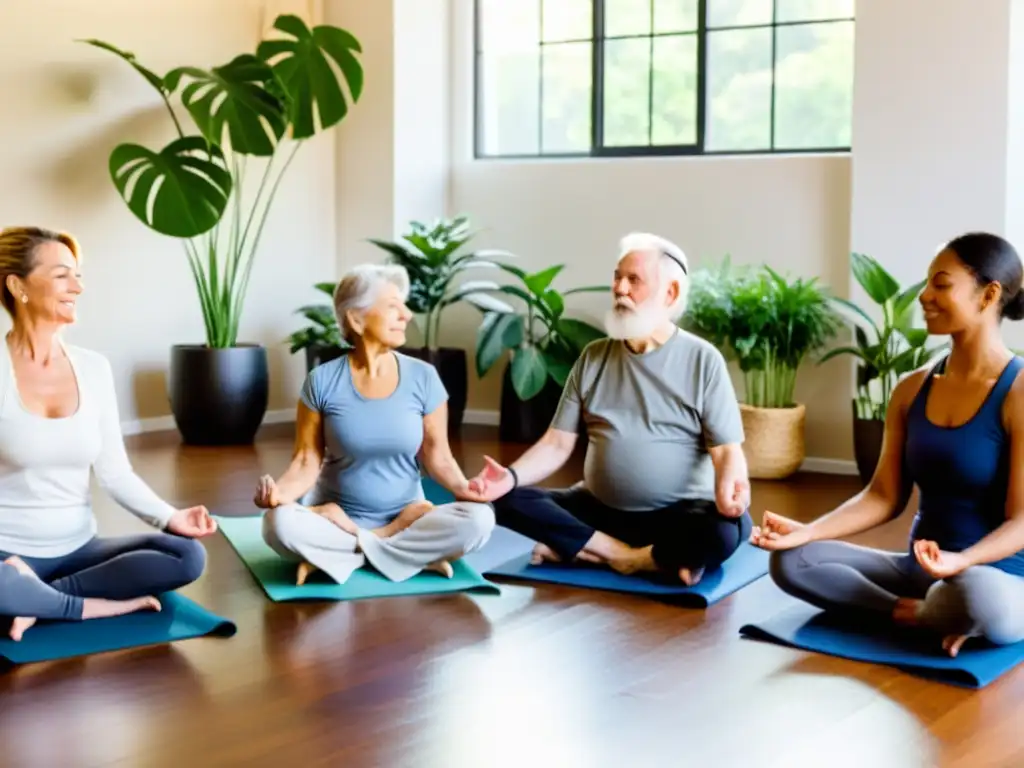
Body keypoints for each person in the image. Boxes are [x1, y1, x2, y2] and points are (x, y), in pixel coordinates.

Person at [752, 232, 1024, 658]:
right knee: (792, 560)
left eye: (942, 284)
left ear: (988, 295)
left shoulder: (1018, 393)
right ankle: (920, 614)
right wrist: (808, 531)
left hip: (995, 579)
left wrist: (959, 562)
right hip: (919, 572)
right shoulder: (910, 388)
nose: (925, 297)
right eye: (926, 284)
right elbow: (883, 496)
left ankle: (947, 611)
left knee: (979, 597)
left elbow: (1022, 520)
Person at [466, 233, 752, 586]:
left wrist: (731, 488)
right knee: (507, 499)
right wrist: (507, 478)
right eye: (617, 277)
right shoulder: (593, 357)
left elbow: (726, 451)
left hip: (677, 515)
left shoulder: (702, 359)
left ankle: (591, 550)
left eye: (634, 280)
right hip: (599, 511)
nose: (620, 289)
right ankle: (630, 557)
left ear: (670, 293)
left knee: (730, 529)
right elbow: (557, 443)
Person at [0, 227, 215, 641]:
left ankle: (35, 601)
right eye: (63, 275)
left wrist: (170, 516)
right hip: (6, 552)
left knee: (186, 555)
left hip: (78, 551)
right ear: (17, 286)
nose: (77, 287)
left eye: (78, 275)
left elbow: (114, 472)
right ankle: (84, 607)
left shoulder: (93, 368)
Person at [256, 263, 495, 585]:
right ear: (356, 319)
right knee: (278, 524)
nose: (407, 315)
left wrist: (467, 490)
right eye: (394, 307)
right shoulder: (322, 380)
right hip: (332, 515)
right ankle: (397, 550)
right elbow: (305, 459)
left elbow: (438, 456)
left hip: (408, 517)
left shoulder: (424, 377)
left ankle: (350, 550)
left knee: (479, 520)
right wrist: (278, 495)